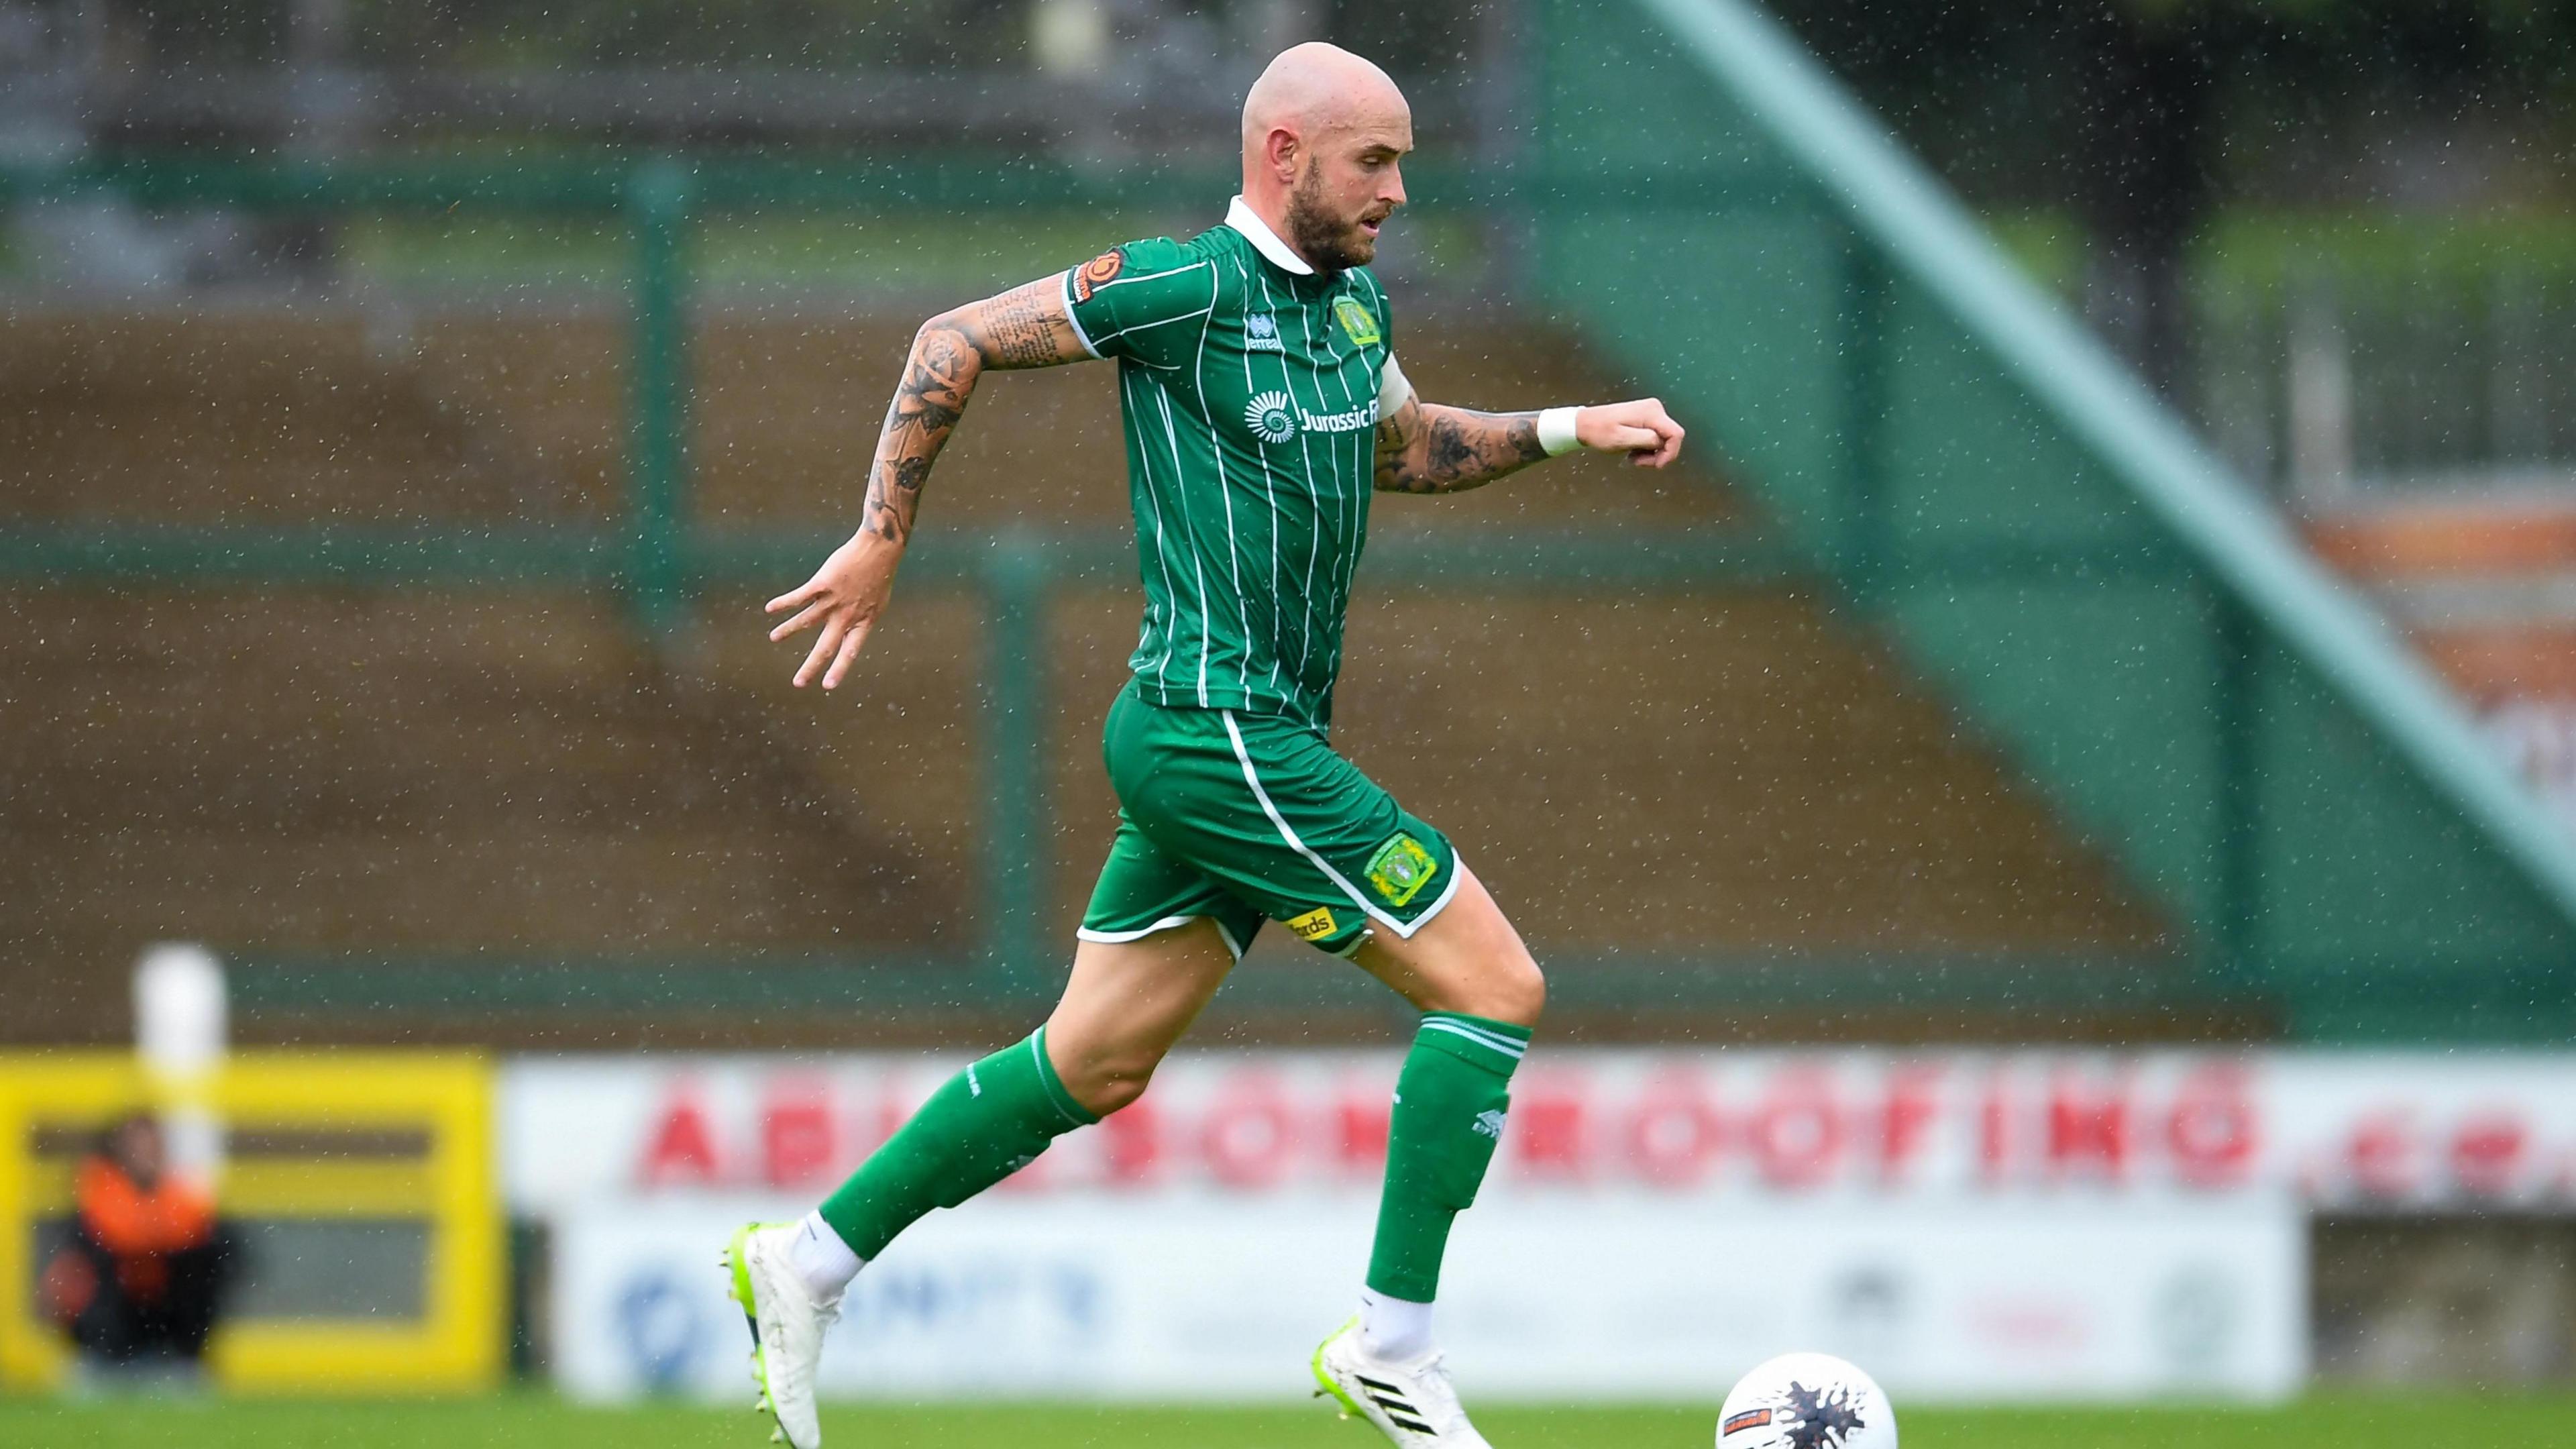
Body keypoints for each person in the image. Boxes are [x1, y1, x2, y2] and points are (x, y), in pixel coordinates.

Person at [731, 40, 1684, 1449]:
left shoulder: (1354, 310)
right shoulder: (1184, 288)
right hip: (1212, 731)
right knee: (1492, 986)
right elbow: (956, 336)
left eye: (1408, 160)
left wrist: (1565, 428)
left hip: (1243, 740)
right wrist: (883, 539)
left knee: (1090, 1066)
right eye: (1375, 159)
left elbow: (1405, 448)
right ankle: (1394, 1347)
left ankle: (807, 1263)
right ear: (1283, 153)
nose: (1401, 191)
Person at [42, 1113, 237, 1378]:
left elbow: (203, 1244)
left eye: (152, 1145)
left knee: (209, 1261)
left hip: (167, 1324)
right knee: (78, 1273)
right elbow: (113, 1237)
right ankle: (103, 1360)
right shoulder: (96, 1194)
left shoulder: (182, 1196)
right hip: (112, 1326)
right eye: (137, 1145)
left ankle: (181, 1359)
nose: (146, 1153)